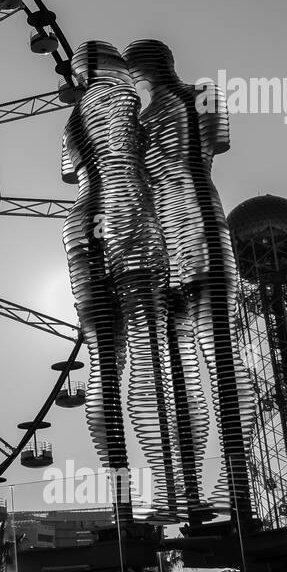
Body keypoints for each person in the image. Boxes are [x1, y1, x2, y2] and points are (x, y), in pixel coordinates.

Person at [125, 39, 256, 526]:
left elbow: (215, 143)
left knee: (214, 354)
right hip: (166, 235)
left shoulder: (199, 95)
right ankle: (185, 492)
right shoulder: (155, 113)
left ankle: (229, 488)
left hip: (196, 225)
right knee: (177, 362)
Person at [62, 40, 179, 525]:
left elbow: (69, 173)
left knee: (104, 366)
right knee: (152, 353)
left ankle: (122, 505)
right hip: (130, 220)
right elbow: (158, 168)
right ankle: (173, 489)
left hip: (80, 227)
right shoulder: (133, 108)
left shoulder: (70, 123)